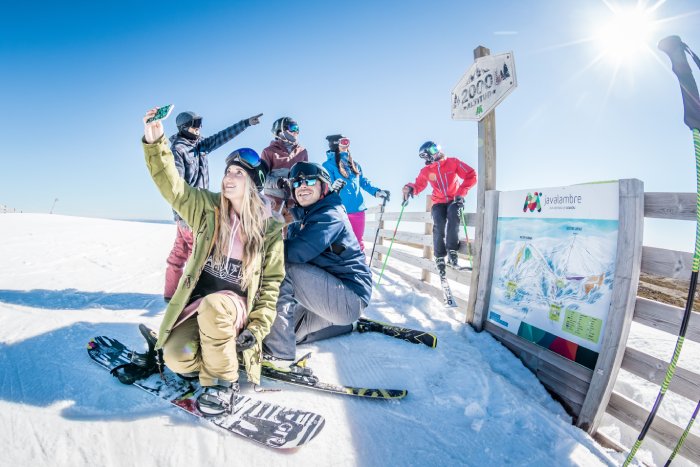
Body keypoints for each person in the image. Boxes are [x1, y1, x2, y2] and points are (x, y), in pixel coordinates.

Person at [142, 108, 285, 417]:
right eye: (227, 172)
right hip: (200, 306)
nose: (228, 177)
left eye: (238, 173)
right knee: (175, 357)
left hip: (234, 308)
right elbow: (174, 187)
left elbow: (271, 285)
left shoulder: (269, 229)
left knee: (216, 306)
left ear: (253, 183)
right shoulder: (207, 208)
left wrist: (258, 329)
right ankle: (219, 354)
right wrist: (156, 143)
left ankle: (221, 382)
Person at [262, 161, 372, 369]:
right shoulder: (307, 216)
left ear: (324, 187)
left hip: (348, 296)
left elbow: (295, 252)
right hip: (333, 300)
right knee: (285, 330)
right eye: (297, 182)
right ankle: (346, 326)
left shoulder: (329, 216)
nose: (303, 186)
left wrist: (258, 247)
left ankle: (279, 353)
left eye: (310, 180)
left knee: (283, 265)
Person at [163, 110, 263, 302]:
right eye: (195, 124)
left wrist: (245, 123)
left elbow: (222, 136)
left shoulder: (200, 145)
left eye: (200, 123)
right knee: (199, 255)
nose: (199, 128)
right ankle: (190, 296)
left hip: (196, 211)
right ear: (184, 127)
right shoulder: (178, 150)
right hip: (190, 212)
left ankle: (171, 293)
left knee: (181, 252)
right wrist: (182, 215)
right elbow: (176, 185)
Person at [402, 141, 477, 277]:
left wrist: (461, 193)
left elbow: (471, 175)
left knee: (454, 215)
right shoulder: (426, 171)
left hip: (454, 199)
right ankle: (439, 256)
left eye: (436, 147)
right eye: (432, 149)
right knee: (439, 222)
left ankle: (452, 253)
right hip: (438, 201)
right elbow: (419, 184)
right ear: (426, 155)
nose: (436, 150)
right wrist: (410, 188)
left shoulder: (453, 162)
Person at [322, 134, 389, 252]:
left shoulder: (354, 164)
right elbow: (326, 186)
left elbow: (363, 182)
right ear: (336, 144)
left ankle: (359, 268)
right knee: (339, 244)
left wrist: (377, 192)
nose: (346, 145)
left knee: (358, 243)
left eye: (347, 142)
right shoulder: (328, 165)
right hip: (339, 210)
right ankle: (339, 269)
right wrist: (333, 187)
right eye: (343, 142)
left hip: (358, 210)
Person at [260, 117, 308, 216]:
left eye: (298, 128)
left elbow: (306, 176)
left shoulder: (302, 152)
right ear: (280, 131)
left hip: (296, 204)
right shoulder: (269, 151)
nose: (296, 131)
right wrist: (279, 182)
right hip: (275, 204)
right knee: (276, 230)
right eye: (293, 128)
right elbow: (261, 179)